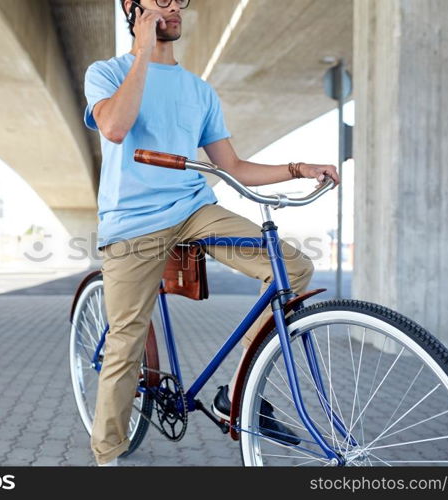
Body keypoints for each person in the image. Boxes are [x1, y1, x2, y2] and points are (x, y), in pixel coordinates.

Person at [82, 0, 340, 466]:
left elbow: (234, 167)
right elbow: (116, 128)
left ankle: (239, 388)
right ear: (131, 6)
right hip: (133, 220)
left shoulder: (199, 91)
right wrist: (142, 53)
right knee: (126, 339)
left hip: (194, 208)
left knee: (293, 267)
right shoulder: (106, 72)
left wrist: (299, 168)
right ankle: (107, 454)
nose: (174, 7)